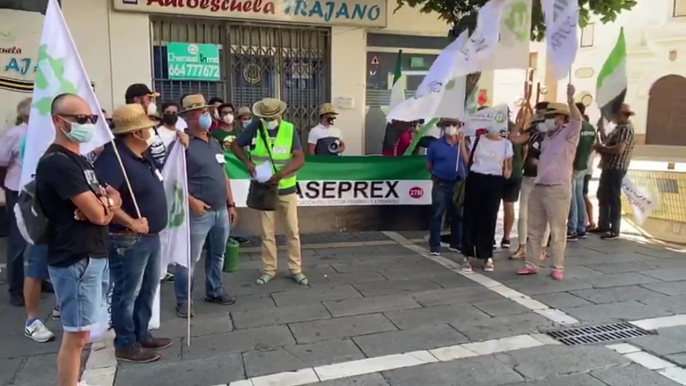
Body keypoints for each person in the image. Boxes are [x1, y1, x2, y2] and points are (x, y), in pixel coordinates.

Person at [36, 93, 121, 386]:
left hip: (91, 252)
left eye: (92, 119)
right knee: (77, 334)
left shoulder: (80, 160)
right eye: (81, 119)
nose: (88, 124)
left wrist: (105, 206)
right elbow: (99, 212)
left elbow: (109, 199)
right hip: (75, 256)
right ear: (59, 121)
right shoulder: (58, 162)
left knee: (83, 331)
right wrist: (104, 208)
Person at [95, 104, 173, 363]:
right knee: (127, 292)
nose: (151, 130)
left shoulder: (142, 155)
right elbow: (105, 198)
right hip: (128, 237)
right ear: (136, 131)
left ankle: (141, 333)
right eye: (147, 126)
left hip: (150, 237)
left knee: (148, 288)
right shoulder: (113, 158)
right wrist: (131, 221)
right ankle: (125, 343)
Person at [231, 98, 307, 286]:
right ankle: (269, 269)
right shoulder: (256, 127)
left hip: (286, 188)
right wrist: (248, 163)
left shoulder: (289, 129)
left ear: (278, 114)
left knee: (292, 231)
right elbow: (235, 145)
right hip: (264, 189)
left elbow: (299, 159)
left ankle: (295, 269)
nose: (268, 119)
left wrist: (281, 175)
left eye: (270, 116)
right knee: (267, 233)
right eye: (264, 117)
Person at [174, 94, 238, 318]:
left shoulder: (215, 142)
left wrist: (231, 204)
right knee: (189, 259)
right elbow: (175, 179)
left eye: (208, 112)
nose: (207, 116)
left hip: (221, 210)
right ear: (190, 117)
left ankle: (215, 290)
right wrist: (192, 201)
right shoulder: (183, 143)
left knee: (217, 254)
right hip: (198, 212)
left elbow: (224, 174)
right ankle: (184, 300)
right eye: (202, 113)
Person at [517, 84, 582, 280]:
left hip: (558, 189)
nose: (548, 120)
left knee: (557, 229)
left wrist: (571, 100)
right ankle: (531, 263)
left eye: (552, 116)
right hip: (539, 186)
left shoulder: (569, 134)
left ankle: (557, 266)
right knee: (534, 228)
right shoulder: (546, 138)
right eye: (547, 116)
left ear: (562, 118)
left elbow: (577, 120)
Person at [459, 123, 513, 273]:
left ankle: (486, 255)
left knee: (489, 218)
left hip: (494, 181)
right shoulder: (477, 139)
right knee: (470, 217)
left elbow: (509, 168)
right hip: (476, 178)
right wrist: (462, 143)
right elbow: (468, 160)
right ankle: (467, 255)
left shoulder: (506, 144)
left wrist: (507, 171)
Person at [0, 97, 31, 306]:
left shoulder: (43, 134)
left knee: (40, 240)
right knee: (18, 242)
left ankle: (39, 279)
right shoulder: (15, 134)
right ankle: (16, 288)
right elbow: (1, 161)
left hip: (38, 189)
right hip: (18, 190)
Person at [509, 109, 550, 261]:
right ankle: (522, 247)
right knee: (523, 213)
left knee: (545, 214)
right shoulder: (532, 135)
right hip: (529, 176)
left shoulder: (555, 137)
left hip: (546, 179)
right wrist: (518, 123)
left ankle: (542, 248)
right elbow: (513, 138)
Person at [592, 103, 635, 240]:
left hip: (616, 167)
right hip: (608, 166)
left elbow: (619, 149)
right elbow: (608, 142)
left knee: (613, 198)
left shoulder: (625, 129)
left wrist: (602, 149)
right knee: (603, 196)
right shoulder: (619, 128)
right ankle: (603, 224)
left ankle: (614, 229)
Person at [426, 119, 466, 256]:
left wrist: (462, 144)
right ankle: (434, 245)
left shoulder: (464, 144)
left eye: (454, 125)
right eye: (448, 125)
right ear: (443, 128)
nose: (451, 128)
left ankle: (456, 243)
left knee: (458, 214)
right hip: (441, 183)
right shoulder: (435, 145)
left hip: (459, 183)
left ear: (459, 127)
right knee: (437, 214)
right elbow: (429, 165)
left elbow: (469, 161)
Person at [126, 84, 188, 167]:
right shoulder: (132, 128)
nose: (151, 103)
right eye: (149, 99)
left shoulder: (149, 124)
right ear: (137, 100)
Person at [567, 105, 596, 241]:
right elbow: (592, 146)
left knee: (572, 197)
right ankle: (581, 227)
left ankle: (572, 228)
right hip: (584, 164)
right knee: (579, 195)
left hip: (573, 165)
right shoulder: (590, 128)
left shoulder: (576, 127)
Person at [500, 120, 524, 250]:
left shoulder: (494, 128)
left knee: (492, 205)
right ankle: (506, 237)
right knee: (509, 205)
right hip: (515, 171)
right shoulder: (517, 129)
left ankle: (491, 236)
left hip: (498, 171)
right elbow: (525, 151)